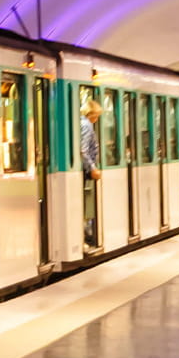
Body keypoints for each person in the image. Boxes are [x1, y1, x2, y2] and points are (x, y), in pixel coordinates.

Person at [80, 100, 102, 249]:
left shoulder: (81, 123)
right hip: (86, 170)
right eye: (96, 115)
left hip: (84, 169)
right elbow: (83, 150)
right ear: (91, 114)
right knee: (85, 205)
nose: (97, 118)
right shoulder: (87, 125)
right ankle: (86, 237)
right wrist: (93, 168)